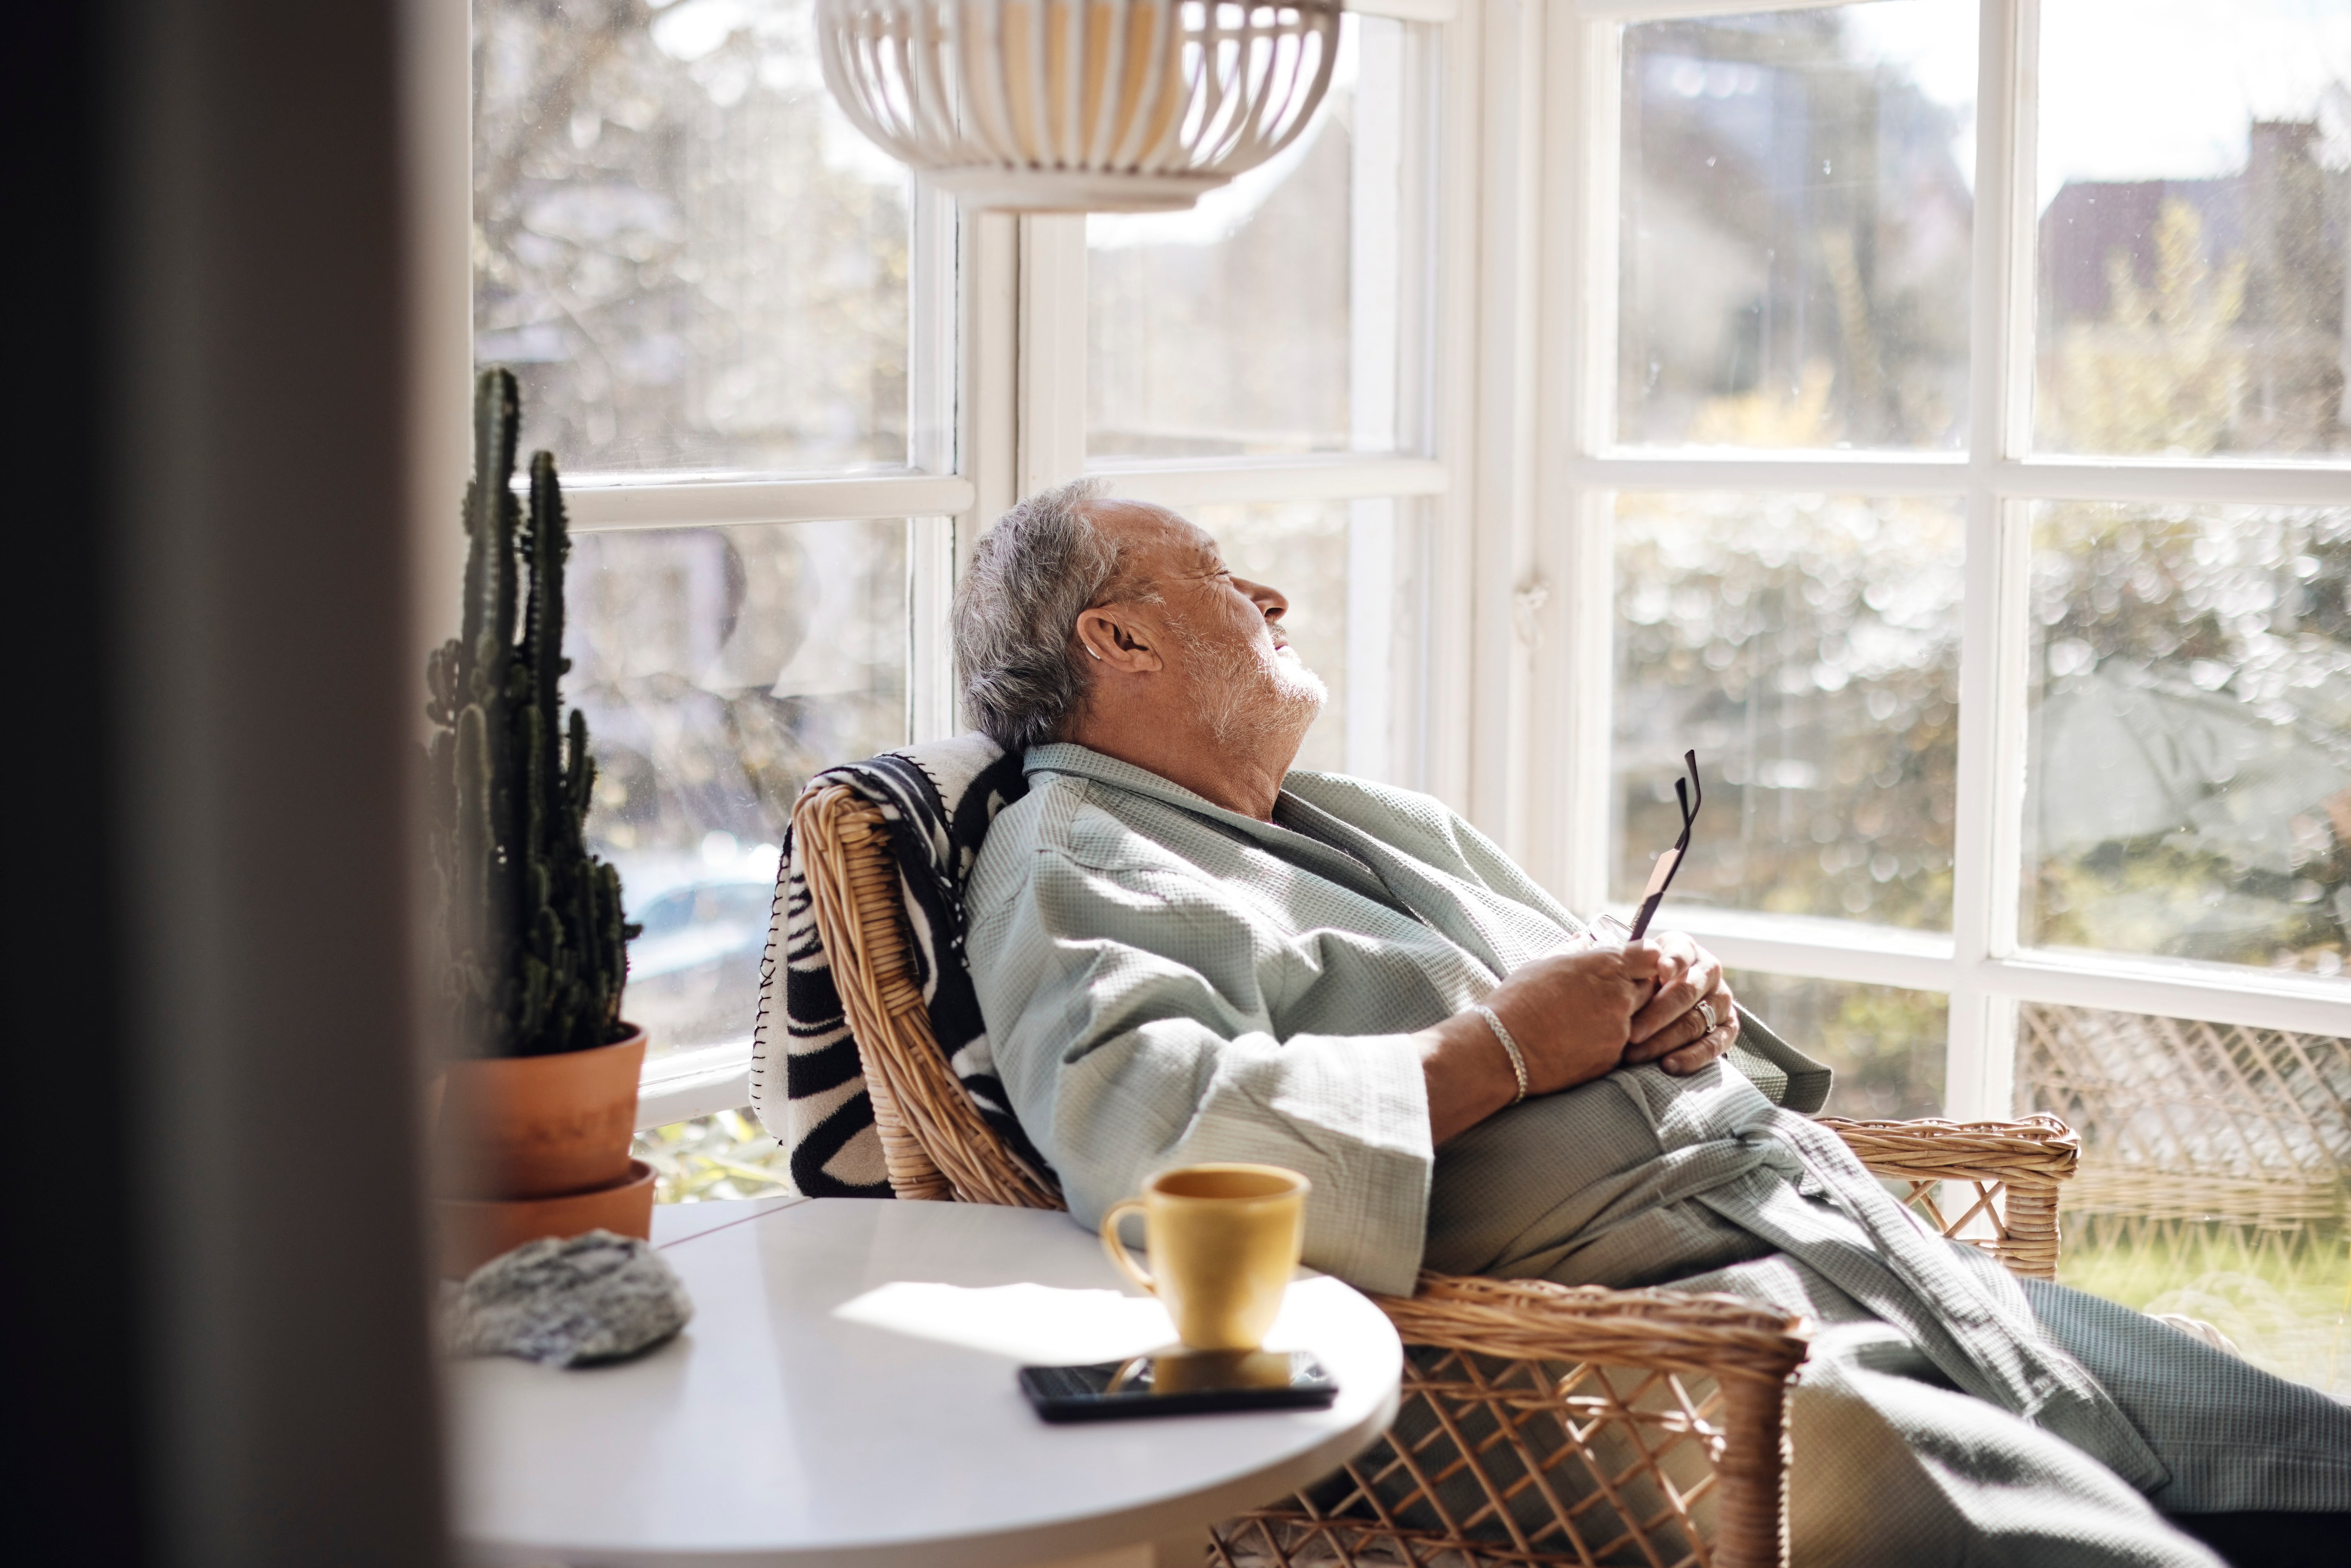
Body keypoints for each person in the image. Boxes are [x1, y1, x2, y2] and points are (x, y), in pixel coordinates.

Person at [952, 480, 2349, 1568]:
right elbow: (1155, 1141)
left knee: (2308, 1457)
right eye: (1212, 570)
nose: (1266, 589)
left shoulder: (1368, 823)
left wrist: (1673, 1006)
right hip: (1623, 1358)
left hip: (1834, 1247)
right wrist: (1502, 1048)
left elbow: (1577, 998)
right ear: (1117, 636)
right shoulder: (1077, 862)